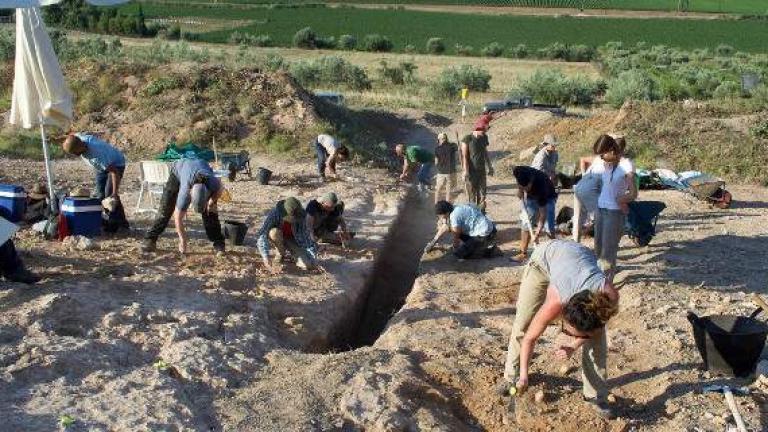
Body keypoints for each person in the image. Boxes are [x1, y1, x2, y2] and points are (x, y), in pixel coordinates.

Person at [503, 239, 619, 419]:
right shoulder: (556, 299)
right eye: (567, 331)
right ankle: (512, 376)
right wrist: (524, 376)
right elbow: (530, 338)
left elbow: (594, 330)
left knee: (598, 342)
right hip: (544, 259)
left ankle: (595, 396)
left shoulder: (608, 297)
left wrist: (573, 345)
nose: (567, 336)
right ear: (563, 314)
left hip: (578, 256)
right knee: (524, 323)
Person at [142, 158, 225, 254]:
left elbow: (220, 189)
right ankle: (150, 238)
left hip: (201, 165)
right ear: (189, 194)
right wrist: (183, 240)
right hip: (178, 170)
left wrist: (210, 202)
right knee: (166, 208)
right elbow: (177, 218)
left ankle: (218, 242)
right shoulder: (185, 193)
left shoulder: (212, 183)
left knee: (211, 212)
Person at [590, 134, 637, 273]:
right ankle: (601, 276)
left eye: (602, 154)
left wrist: (621, 199)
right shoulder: (605, 164)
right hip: (600, 210)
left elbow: (633, 193)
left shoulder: (626, 165)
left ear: (612, 150)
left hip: (614, 212)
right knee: (598, 246)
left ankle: (606, 281)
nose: (601, 158)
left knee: (608, 249)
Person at [62, 133, 129, 228]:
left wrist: (114, 193)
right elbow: (72, 135)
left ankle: (117, 223)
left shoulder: (97, 155)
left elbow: (114, 172)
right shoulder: (79, 138)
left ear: (80, 147)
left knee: (109, 195)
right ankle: (109, 219)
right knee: (100, 194)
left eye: (74, 152)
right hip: (102, 167)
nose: (75, 155)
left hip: (116, 164)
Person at [256, 197, 318, 272]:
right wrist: (265, 257)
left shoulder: (301, 217)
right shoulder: (275, 213)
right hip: (277, 237)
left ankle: (293, 256)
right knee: (274, 232)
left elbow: (306, 240)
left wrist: (313, 257)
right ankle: (280, 253)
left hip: (293, 240)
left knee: (308, 264)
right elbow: (262, 235)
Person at [512, 166, 557, 262]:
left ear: (531, 182)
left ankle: (553, 255)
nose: (525, 190)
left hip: (548, 197)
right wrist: (520, 190)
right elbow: (518, 180)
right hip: (531, 197)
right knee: (526, 223)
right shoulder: (518, 171)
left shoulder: (542, 188)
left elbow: (542, 215)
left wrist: (537, 233)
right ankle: (523, 253)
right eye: (522, 187)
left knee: (549, 226)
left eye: (526, 187)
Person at [425, 200, 497, 260]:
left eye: (440, 215)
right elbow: (445, 227)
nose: (439, 217)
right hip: (487, 227)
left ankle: (487, 250)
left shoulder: (454, 216)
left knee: (460, 254)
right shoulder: (454, 208)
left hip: (484, 234)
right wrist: (433, 242)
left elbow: (456, 237)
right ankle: (476, 244)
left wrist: (455, 249)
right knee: (452, 228)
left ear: (446, 212)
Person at [460, 128, 494, 212]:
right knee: (472, 195)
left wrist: (490, 166)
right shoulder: (468, 138)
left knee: (483, 194)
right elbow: (464, 156)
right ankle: (473, 214)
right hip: (471, 171)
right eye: (483, 130)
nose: (485, 131)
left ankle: (481, 214)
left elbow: (485, 152)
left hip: (482, 170)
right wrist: (465, 171)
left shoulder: (484, 137)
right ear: (476, 129)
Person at [433, 133, 458, 204]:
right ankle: (447, 204)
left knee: (438, 189)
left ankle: (436, 203)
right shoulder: (452, 146)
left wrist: (438, 169)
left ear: (440, 140)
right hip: (450, 172)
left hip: (441, 172)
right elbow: (457, 147)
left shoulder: (437, 149)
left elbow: (436, 162)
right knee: (448, 189)